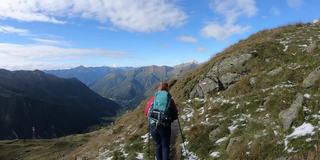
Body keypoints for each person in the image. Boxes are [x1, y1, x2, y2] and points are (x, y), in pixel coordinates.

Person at [144, 82, 178, 160]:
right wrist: (170, 119)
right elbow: (175, 114)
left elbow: (146, 112)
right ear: (167, 89)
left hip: (153, 125)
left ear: (158, 88)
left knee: (158, 144)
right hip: (164, 126)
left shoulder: (154, 98)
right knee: (165, 146)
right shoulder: (169, 98)